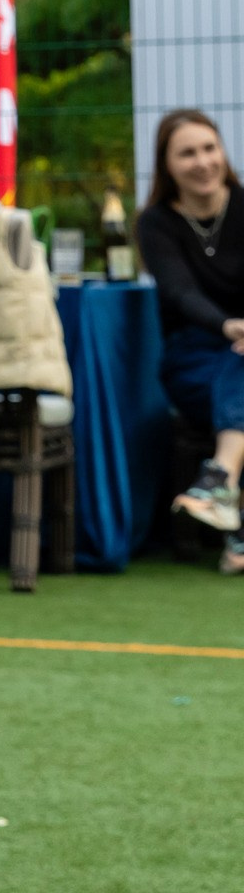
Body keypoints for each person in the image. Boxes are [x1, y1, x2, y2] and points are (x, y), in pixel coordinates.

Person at [145, 108, 244, 571]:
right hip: (192, 356)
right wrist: (228, 326)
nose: (202, 162)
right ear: (167, 165)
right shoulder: (155, 224)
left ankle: (219, 481)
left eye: (210, 148)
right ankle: (230, 517)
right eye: (187, 153)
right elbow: (179, 292)